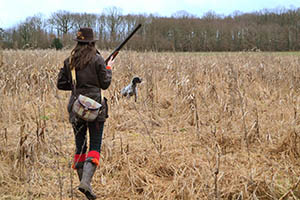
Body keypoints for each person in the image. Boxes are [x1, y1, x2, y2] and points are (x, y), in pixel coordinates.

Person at [57, 27, 114, 200]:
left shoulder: (70, 61)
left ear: (78, 42)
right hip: (96, 108)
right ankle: (86, 183)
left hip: (76, 108)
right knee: (94, 146)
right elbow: (105, 84)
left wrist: (77, 87)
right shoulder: (98, 60)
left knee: (80, 146)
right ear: (92, 42)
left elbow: (61, 83)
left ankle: (85, 184)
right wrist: (109, 67)